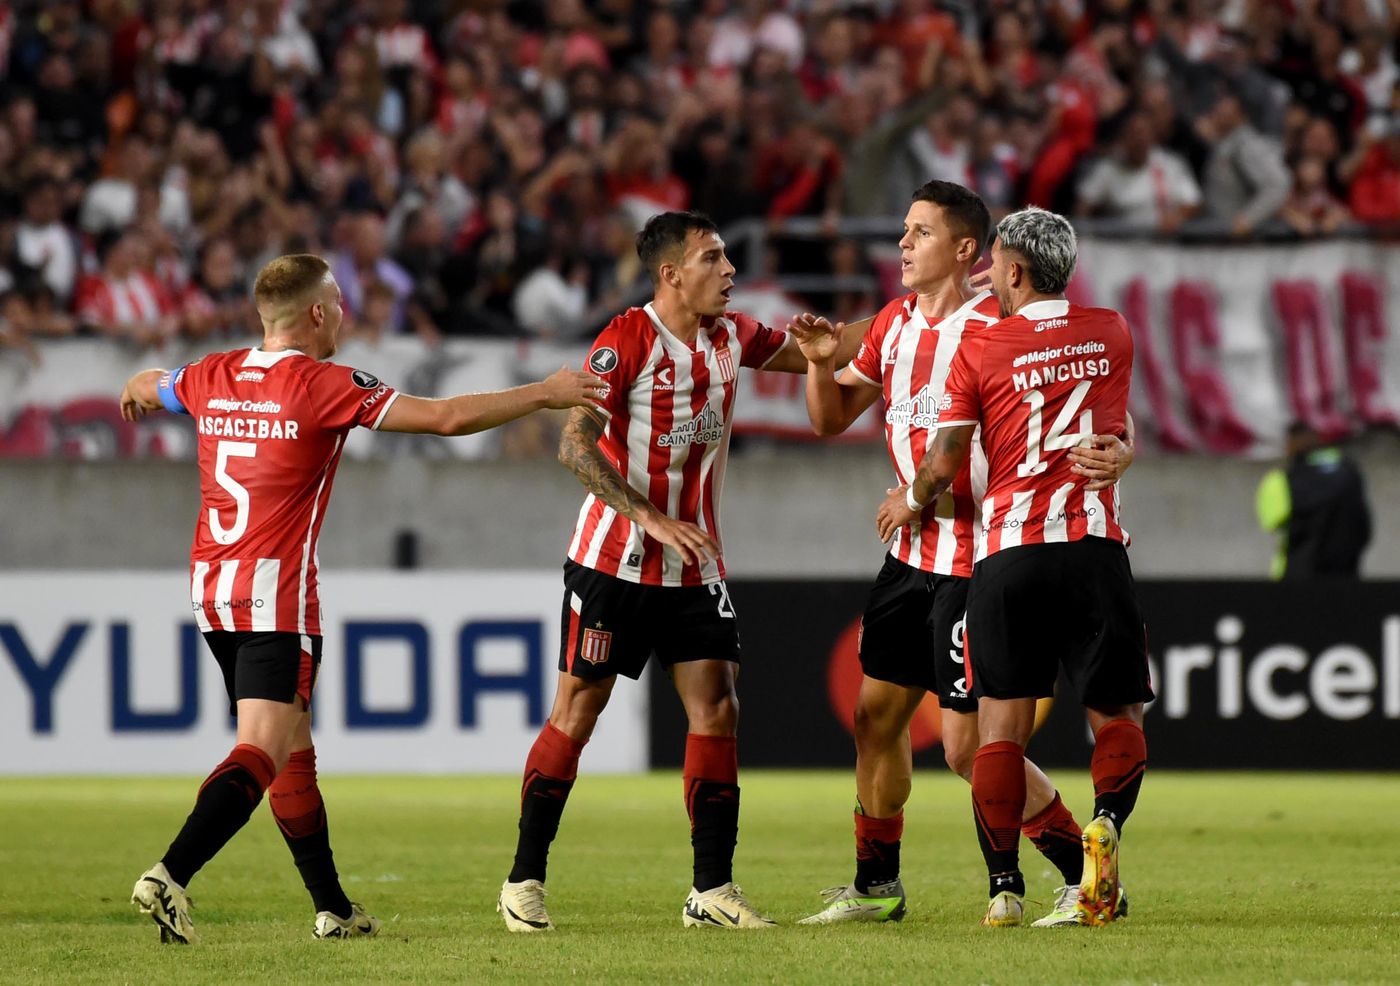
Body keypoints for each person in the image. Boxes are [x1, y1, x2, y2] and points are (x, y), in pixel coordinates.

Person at [119, 253, 605, 944]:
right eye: (340, 302)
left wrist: (136, 389)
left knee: (291, 745)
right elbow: (443, 417)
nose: (346, 313)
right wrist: (543, 392)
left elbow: (148, 382)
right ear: (317, 313)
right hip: (274, 594)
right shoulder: (324, 385)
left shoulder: (210, 374)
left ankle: (333, 908)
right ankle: (170, 874)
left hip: (211, 587)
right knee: (260, 746)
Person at [496, 210, 859, 933]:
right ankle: (523, 879)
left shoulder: (732, 336)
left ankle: (711, 890)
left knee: (718, 707)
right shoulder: (625, 340)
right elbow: (574, 445)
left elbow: (832, 348)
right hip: (614, 562)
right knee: (579, 712)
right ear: (671, 274)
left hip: (696, 565)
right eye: (714, 259)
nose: (729, 271)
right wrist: (647, 514)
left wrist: (924, 305)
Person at [785, 181, 1133, 928]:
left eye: (920, 232)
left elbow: (1065, 415)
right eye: (904, 230)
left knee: (964, 746)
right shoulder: (895, 322)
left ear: (967, 249)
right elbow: (830, 416)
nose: (903, 244)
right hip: (909, 554)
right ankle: (877, 884)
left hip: (976, 556)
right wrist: (819, 362)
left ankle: (1084, 870)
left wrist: (1120, 450)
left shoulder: (994, 327)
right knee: (876, 716)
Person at [877, 206, 1152, 928]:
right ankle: (1106, 830)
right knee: (1116, 712)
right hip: (1092, 545)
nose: (986, 275)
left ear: (1017, 271)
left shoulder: (984, 347)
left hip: (1004, 555)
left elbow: (941, 463)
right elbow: (1116, 432)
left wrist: (910, 500)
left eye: (994, 264)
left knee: (997, 732)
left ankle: (1004, 887)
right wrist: (1122, 452)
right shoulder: (1112, 331)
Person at [1255, 422, 1372, 579]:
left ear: (1290, 445)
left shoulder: (1281, 480)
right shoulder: (1349, 471)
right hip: (1345, 575)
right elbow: (1364, 527)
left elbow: (1270, 521)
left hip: (1298, 575)